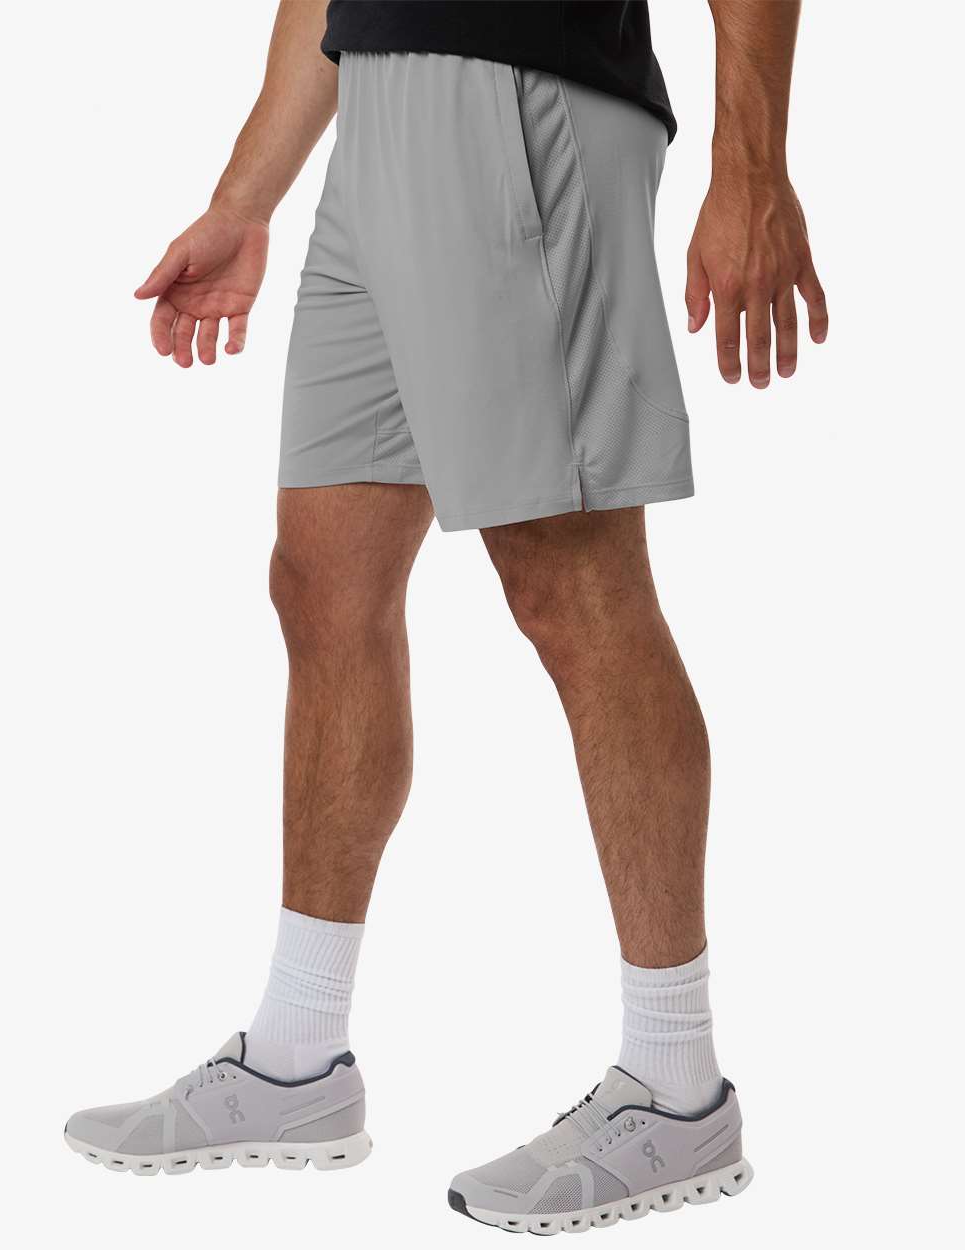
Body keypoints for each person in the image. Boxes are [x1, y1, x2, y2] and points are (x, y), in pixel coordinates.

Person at [65, 0, 826, 1230]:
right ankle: (295, 1055)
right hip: (380, 105)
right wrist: (243, 200)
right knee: (321, 577)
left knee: (573, 585)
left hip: (518, 87)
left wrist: (753, 164)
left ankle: (676, 1082)